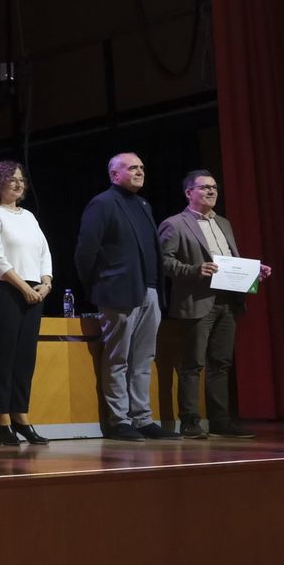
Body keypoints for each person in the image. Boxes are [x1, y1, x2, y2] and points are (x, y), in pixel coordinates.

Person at [157, 170, 270, 439]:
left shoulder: (223, 223)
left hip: (228, 302)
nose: (211, 191)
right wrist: (194, 270)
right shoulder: (175, 224)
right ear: (189, 193)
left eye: (214, 187)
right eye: (205, 187)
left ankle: (220, 420)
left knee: (221, 363)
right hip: (197, 301)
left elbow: (230, 261)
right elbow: (163, 262)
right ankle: (190, 421)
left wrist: (253, 272)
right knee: (192, 364)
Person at [74, 152, 180, 441]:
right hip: (118, 292)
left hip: (150, 291)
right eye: (132, 168)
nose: (139, 172)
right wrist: (99, 286)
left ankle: (142, 418)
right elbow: (86, 252)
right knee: (118, 357)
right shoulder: (103, 203)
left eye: (142, 167)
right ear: (114, 174)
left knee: (143, 359)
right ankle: (119, 420)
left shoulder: (143, 204)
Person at [0, 161, 54, 445]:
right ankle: (2, 419)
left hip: (34, 292)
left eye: (21, 179)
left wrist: (46, 283)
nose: (19, 184)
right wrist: (24, 288)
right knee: (5, 355)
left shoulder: (29, 217)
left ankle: (21, 415)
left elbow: (44, 252)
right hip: (7, 290)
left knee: (25, 357)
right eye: (12, 179)